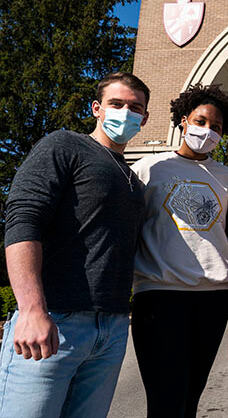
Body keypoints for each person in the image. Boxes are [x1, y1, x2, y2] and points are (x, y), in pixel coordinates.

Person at [0, 72, 150, 418]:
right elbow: (23, 219)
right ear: (97, 108)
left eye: (135, 108)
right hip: (54, 323)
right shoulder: (64, 145)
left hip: (110, 330)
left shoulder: (133, 181)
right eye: (116, 104)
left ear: (145, 118)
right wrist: (31, 309)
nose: (126, 112)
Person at [130, 83, 228, 418]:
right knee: (165, 398)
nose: (207, 131)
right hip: (160, 293)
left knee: (192, 395)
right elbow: (129, 228)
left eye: (216, 127)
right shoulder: (149, 169)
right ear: (182, 120)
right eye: (201, 121)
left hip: (214, 296)